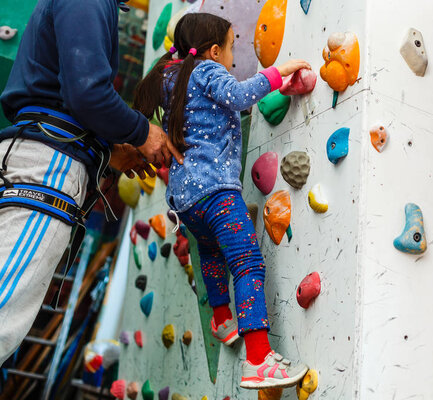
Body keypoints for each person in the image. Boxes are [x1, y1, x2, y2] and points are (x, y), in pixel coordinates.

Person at [0, 0, 183, 364]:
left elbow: (65, 95)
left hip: (40, 154)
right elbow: (86, 93)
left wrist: (106, 147)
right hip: (45, 167)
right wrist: (143, 132)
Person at [134, 13, 311, 389]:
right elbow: (241, 95)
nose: (234, 56)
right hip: (216, 193)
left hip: (185, 201)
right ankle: (259, 359)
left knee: (212, 254)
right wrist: (281, 72)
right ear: (215, 51)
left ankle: (222, 318)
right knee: (247, 264)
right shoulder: (207, 72)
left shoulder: (170, 76)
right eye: (233, 47)